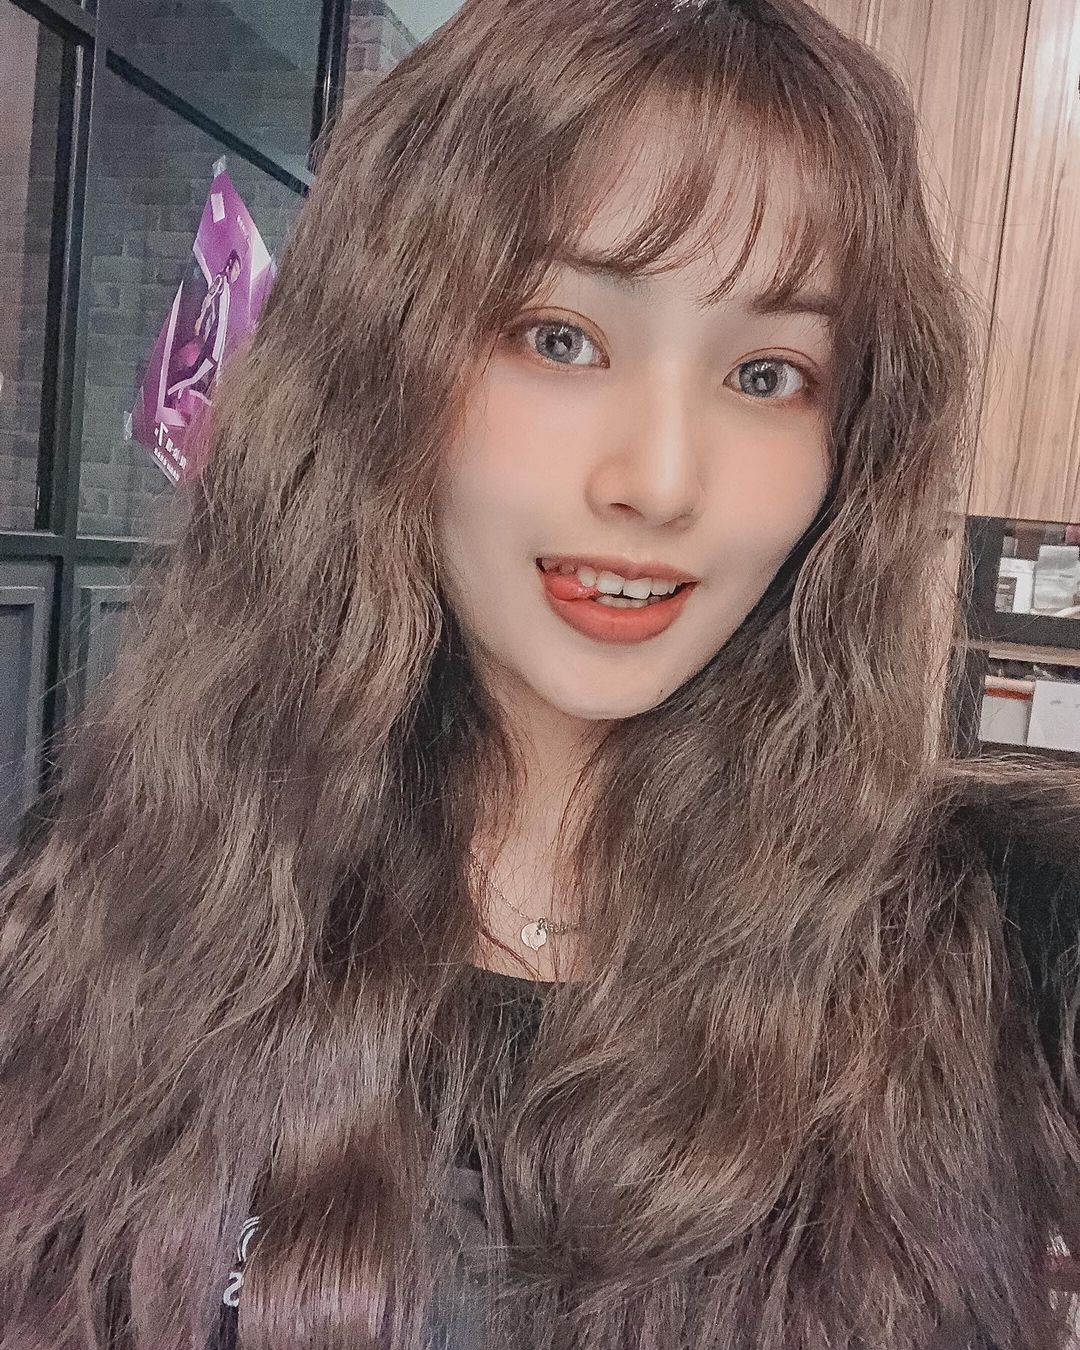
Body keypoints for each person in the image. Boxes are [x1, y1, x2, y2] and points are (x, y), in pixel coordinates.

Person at [2, 1, 1080, 1347]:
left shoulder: (994, 942)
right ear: (381, 363)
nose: (659, 482)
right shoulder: (122, 902)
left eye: (767, 373)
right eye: (560, 337)